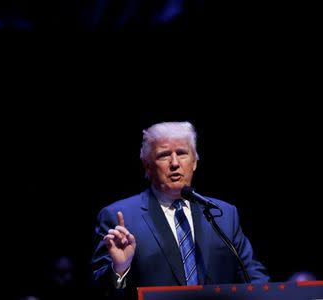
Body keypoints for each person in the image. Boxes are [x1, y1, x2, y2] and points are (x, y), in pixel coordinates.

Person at [91, 121, 269, 299]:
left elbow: (252, 275)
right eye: (164, 155)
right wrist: (119, 269)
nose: (174, 163)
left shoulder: (223, 214)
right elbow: (100, 289)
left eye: (182, 153)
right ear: (147, 165)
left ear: (194, 162)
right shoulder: (119, 217)